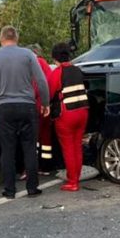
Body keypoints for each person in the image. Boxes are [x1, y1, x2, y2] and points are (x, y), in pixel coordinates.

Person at [0, 26, 50, 199]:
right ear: (16, 38)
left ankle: (10, 190)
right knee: (29, 147)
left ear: (1, 38)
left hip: (4, 107)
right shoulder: (28, 55)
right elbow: (41, 80)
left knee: (8, 149)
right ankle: (32, 188)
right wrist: (45, 102)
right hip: (27, 105)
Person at [48, 43, 88, 192]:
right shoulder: (78, 70)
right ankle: (76, 177)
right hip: (82, 111)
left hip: (66, 114)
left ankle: (72, 182)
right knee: (77, 146)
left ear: (54, 58)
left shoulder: (58, 72)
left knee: (68, 148)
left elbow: (50, 93)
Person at [28, 44, 53, 174]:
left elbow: (36, 85)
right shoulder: (46, 64)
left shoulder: (35, 63)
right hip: (46, 104)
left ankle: (34, 166)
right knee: (46, 137)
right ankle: (46, 166)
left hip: (36, 105)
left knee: (34, 138)